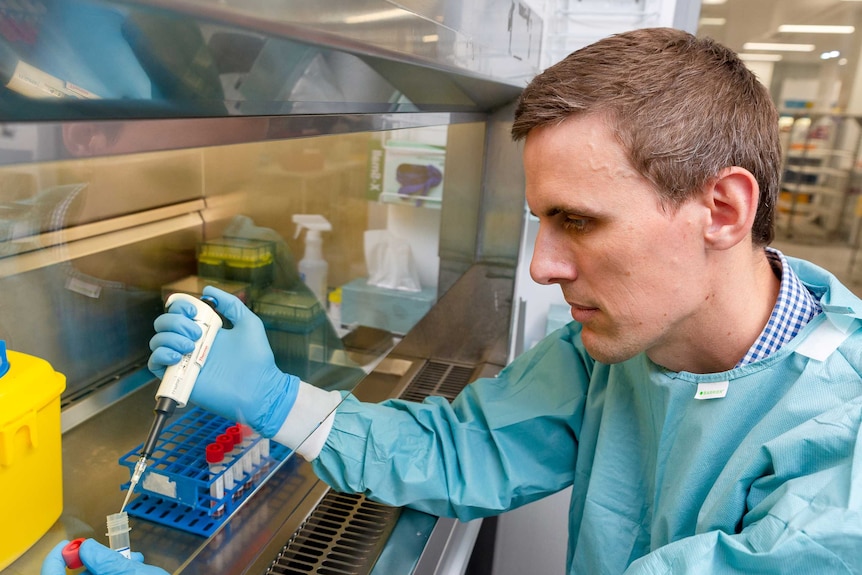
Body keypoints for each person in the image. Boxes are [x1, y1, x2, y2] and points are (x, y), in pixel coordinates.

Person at [43, 26, 862, 575]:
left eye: (580, 221)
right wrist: (276, 399)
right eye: (542, 221)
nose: (543, 267)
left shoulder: (838, 468)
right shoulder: (630, 344)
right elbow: (466, 449)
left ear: (722, 209)